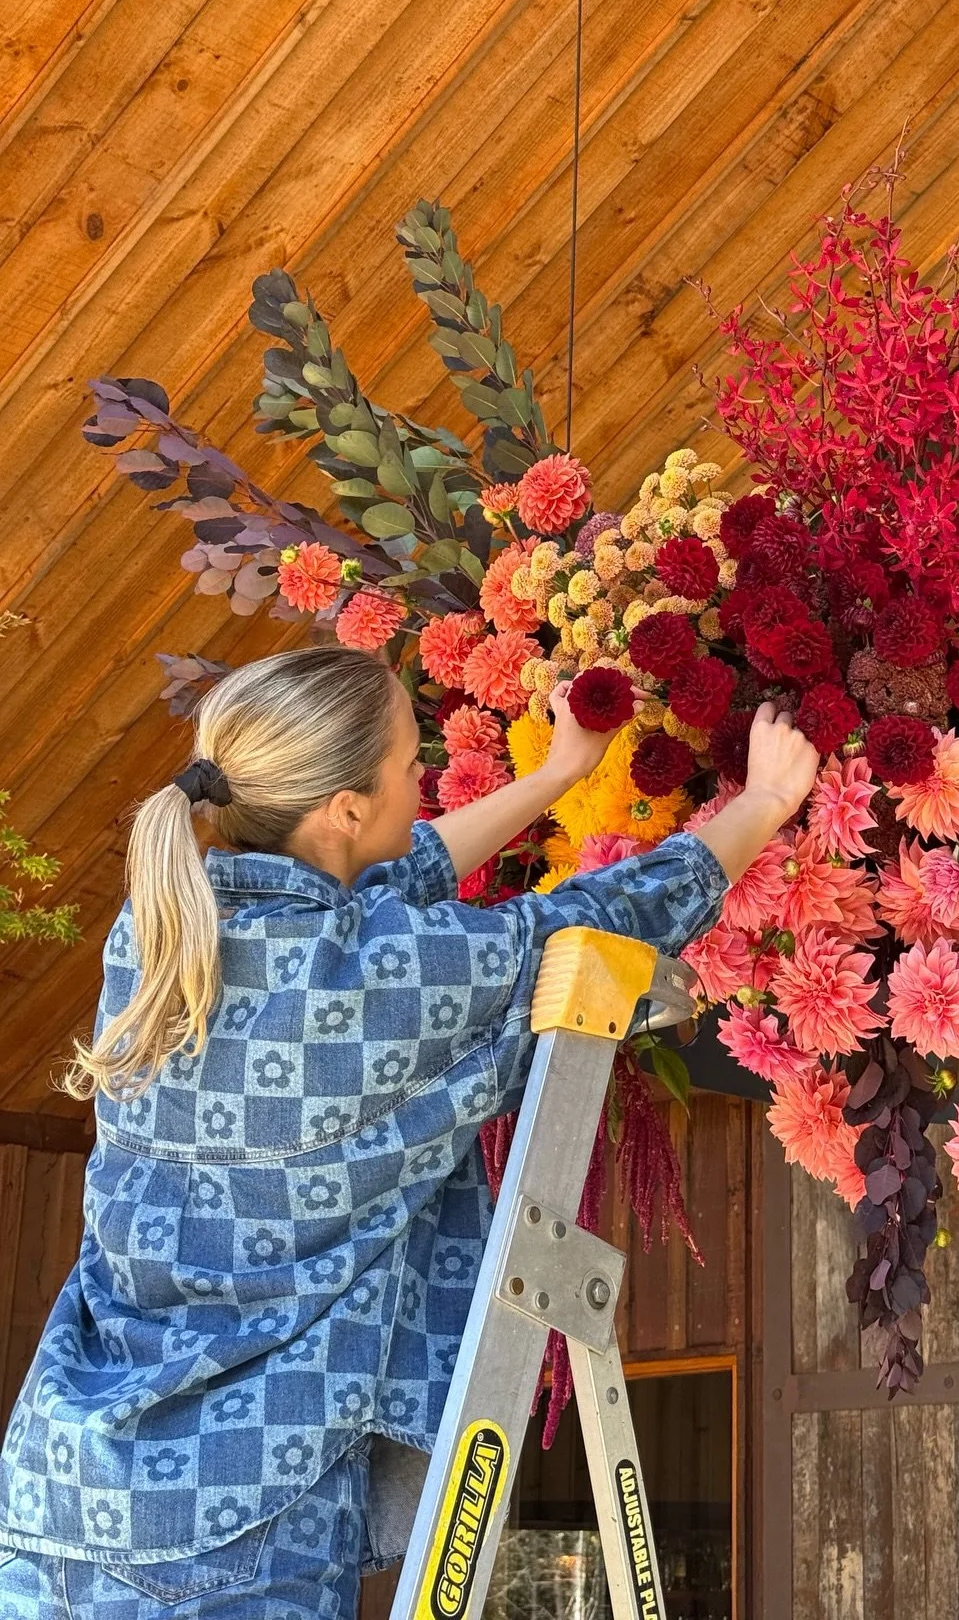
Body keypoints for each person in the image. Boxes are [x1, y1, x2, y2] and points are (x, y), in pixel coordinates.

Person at [0, 644, 818, 1620]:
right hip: (242, 1526)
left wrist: (557, 775)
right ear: (346, 809)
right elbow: (612, 916)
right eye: (405, 766)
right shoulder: (378, 979)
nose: (421, 781)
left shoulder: (162, 930)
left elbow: (401, 880)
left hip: (59, 1491)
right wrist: (765, 801)